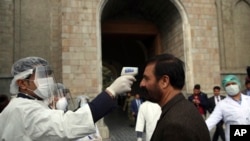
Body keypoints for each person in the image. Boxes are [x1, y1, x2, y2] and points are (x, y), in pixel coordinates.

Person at [0, 56, 136, 141]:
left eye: (48, 74)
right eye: (41, 75)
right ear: (22, 83)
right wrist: (110, 92)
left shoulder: (29, 105)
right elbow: (66, 126)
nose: (47, 79)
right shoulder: (22, 109)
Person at [139, 53, 210, 141]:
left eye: (146, 78)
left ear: (164, 81)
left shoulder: (175, 125)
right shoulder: (182, 107)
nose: (142, 84)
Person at [206, 75, 250, 141]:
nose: (231, 86)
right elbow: (211, 121)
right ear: (225, 88)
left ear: (238, 84)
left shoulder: (248, 99)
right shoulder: (222, 104)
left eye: (233, 83)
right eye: (228, 85)